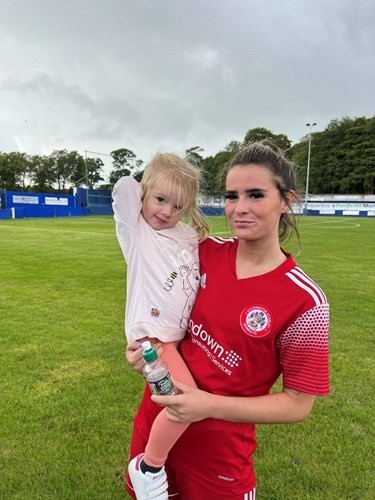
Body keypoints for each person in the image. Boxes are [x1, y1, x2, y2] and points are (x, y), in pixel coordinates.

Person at [125, 140, 330, 499]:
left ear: (287, 200)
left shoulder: (305, 301)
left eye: (255, 195)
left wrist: (210, 404)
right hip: (155, 421)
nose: (239, 208)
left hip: (218, 458)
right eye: (232, 196)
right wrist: (144, 351)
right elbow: (156, 301)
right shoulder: (199, 252)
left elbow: (299, 404)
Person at [112, 152, 209, 500]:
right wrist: (148, 182)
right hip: (153, 339)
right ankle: (149, 467)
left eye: (177, 206)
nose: (166, 211)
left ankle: (152, 465)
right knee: (184, 403)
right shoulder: (137, 231)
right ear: (145, 193)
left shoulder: (183, 235)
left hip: (176, 341)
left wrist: (167, 192)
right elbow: (123, 187)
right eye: (159, 199)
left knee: (179, 402)